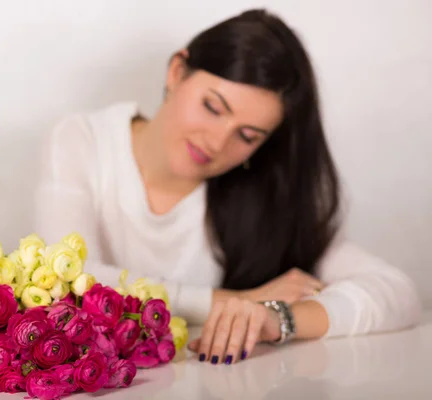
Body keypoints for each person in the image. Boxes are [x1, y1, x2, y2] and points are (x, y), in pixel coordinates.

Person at [30, 9, 421, 365]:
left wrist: (274, 317)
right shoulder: (83, 141)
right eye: (213, 108)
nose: (216, 143)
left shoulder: (269, 195)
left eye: (247, 136)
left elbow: (396, 292)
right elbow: (72, 281)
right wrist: (230, 302)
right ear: (177, 72)